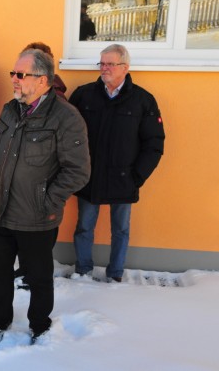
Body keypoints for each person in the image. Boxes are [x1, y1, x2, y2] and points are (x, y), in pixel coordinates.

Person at [0, 49, 90, 347]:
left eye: (20, 75)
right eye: (13, 74)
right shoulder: (10, 109)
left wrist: (47, 201)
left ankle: (39, 326)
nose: (13, 79)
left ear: (42, 80)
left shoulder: (66, 117)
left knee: (39, 277)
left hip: (36, 217)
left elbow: (78, 171)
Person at [70, 44, 165, 282]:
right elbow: (68, 135)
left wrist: (137, 176)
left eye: (110, 64)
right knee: (84, 228)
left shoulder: (143, 100)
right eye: (101, 63)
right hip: (90, 177)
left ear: (125, 67)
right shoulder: (84, 95)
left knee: (121, 230)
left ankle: (115, 275)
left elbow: (154, 143)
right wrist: (74, 169)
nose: (105, 68)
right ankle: (83, 271)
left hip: (124, 178)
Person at [12, 41, 69, 285]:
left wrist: (50, 197)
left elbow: (70, 163)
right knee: (23, 235)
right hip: (23, 191)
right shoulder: (18, 101)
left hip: (44, 189)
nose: (18, 78)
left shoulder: (60, 104)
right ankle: (25, 268)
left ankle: (36, 275)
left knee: (42, 240)